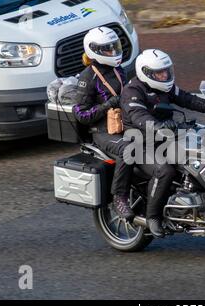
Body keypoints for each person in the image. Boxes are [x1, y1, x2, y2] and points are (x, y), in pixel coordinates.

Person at [120, 49, 205, 237]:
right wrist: (159, 126)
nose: (165, 75)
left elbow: (187, 99)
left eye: (166, 71)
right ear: (146, 72)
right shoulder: (133, 91)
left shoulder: (165, 87)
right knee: (165, 170)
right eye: (159, 73)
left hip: (166, 137)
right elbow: (140, 117)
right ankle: (153, 216)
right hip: (140, 144)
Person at [72, 26, 134, 221]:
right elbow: (80, 113)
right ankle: (119, 197)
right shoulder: (88, 77)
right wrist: (108, 105)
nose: (113, 52)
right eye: (107, 49)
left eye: (114, 47)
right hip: (102, 131)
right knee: (129, 150)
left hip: (125, 123)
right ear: (94, 50)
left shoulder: (118, 69)